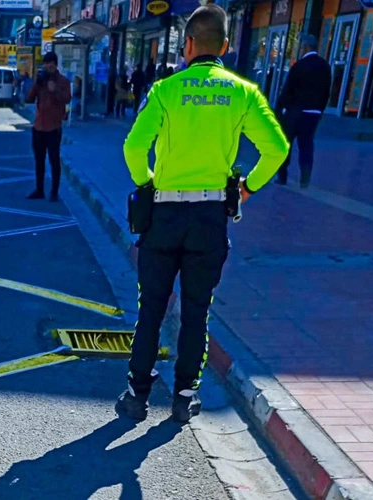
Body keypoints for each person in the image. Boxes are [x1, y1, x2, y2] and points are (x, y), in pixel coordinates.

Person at [117, 4, 289, 423]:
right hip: (210, 217)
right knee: (196, 310)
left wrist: (147, 183)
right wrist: (247, 187)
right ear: (225, 46)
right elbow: (277, 148)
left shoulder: (165, 90)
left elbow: (133, 147)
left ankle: (137, 396)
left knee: (151, 308)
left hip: (164, 215)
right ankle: (184, 396)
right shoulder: (243, 93)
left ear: (188, 44)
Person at [274, 34, 332, 188]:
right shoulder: (325, 67)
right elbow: (326, 92)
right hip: (313, 113)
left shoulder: (299, 66)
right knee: (306, 144)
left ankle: (282, 176)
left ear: (305, 48)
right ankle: (305, 178)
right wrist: (320, 110)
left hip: (296, 112)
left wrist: (279, 109)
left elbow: (288, 89)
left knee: (286, 143)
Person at [25, 51, 71, 202]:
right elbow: (29, 98)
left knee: (54, 160)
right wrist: (37, 83)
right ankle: (39, 190)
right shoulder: (41, 80)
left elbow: (67, 99)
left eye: (50, 66)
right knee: (39, 161)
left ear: (55, 66)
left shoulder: (63, 81)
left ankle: (54, 192)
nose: (48, 69)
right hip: (39, 127)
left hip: (53, 128)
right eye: (46, 66)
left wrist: (55, 90)